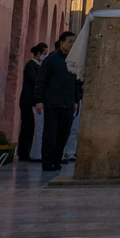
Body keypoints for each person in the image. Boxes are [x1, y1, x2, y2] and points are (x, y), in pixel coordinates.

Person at [34, 31, 80, 174]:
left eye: (74, 42)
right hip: (53, 103)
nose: (72, 44)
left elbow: (76, 82)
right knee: (50, 134)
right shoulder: (51, 60)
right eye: (70, 41)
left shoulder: (73, 61)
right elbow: (41, 80)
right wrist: (39, 100)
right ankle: (47, 162)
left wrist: (76, 100)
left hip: (68, 103)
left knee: (64, 133)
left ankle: (57, 159)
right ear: (61, 43)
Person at [18, 42, 47, 164]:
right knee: (27, 126)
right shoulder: (31, 65)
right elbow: (35, 81)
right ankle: (23, 152)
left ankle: (28, 151)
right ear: (39, 53)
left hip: (32, 101)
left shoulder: (37, 66)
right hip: (28, 101)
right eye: (44, 53)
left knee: (32, 127)